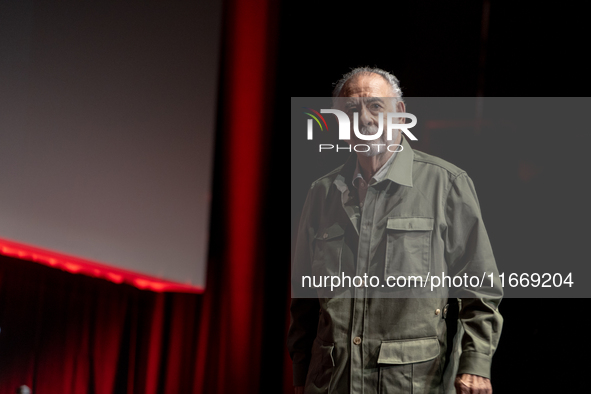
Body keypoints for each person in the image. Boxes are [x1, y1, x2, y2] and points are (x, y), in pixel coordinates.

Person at [288, 67, 503, 394]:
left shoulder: (446, 185)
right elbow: (303, 301)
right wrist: (302, 375)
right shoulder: (322, 193)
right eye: (351, 110)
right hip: (332, 383)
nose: (364, 118)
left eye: (375, 106)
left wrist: (475, 363)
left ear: (400, 115)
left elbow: (481, 287)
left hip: (411, 384)